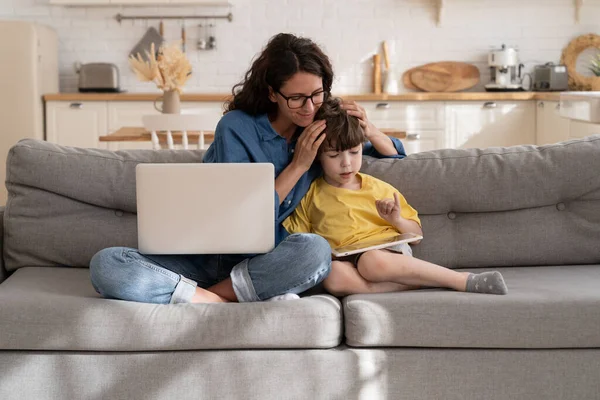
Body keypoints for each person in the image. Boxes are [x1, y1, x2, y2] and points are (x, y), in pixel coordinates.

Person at [89, 33, 407, 304]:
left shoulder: (321, 129)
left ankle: (203, 298)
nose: (309, 107)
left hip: (266, 261)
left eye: (316, 94)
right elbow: (239, 216)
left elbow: (393, 159)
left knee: (315, 250)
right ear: (272, 93)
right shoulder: (237, 128)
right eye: (296, 98)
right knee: (108, 265)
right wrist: (297, 166)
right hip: (202, 257)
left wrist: (373, 130)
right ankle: (218, 299)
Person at [283, 98, 508, 296]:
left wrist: (396, 220)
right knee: (333, 277)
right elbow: (299, 238)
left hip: (384, 254)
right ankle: (409, 285)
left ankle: (461, 280)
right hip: (345, 260)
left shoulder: (377, 188)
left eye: (354, 152)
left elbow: (416, 236)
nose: (346, 163)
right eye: (333, 155)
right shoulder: (311, 194)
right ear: (318, 156)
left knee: (371, 263)